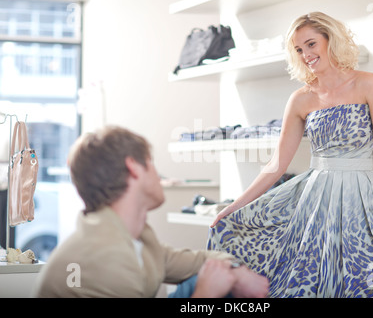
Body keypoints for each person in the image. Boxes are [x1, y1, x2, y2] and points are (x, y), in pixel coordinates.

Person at [209, 12, 373, 298]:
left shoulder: (368, 83)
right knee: (309, 280)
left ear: (330, 39)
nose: (305, 54)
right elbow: (276, 164)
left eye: (310, 44)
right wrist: (234, 206)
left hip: (365, 198)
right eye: (298, 49)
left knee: (371, 280)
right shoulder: (300, 99)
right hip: (315, 201)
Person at [34, 126, 268, 298]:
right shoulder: (100, 259)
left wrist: (236, 273)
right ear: (133, 168)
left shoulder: (137, 238)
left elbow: (196, 260)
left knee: (220, 277)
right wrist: (205, 295)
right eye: (151, 162)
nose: (159, 175)